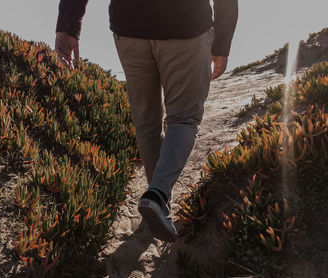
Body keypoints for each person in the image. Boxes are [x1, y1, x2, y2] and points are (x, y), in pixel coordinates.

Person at [55, 0, 238, 242]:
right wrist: (222, 43)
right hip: (185, 25)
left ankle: (156, 202)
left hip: (129, 28)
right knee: (183, 118)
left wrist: (68, 26)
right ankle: (158, 196)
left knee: (146, 122)